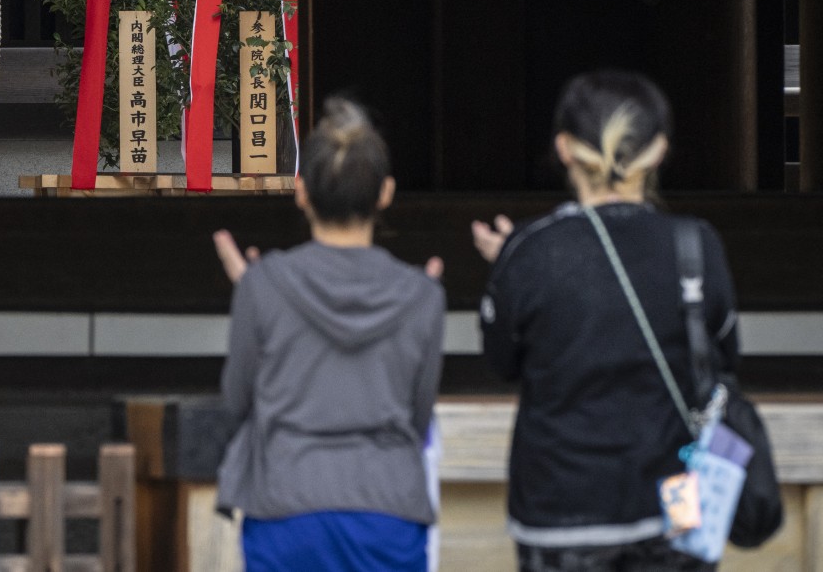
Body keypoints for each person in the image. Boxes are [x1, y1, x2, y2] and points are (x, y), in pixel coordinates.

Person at [472, 69, 740, 572]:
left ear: (564, 149)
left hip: (558, 509)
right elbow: (724, 359)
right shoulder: (696, 245)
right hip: (675, 506)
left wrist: (510, 261)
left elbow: (501, 362)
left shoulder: (530, 250)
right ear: (658, 151)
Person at [213, 98, 446, 572]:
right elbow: (419, 419)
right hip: (389, 504)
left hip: (285, 501)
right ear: (385, 193)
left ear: (301, 192)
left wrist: (263, 294)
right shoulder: (423, 296)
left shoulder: (263, 285)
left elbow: (237, 401)